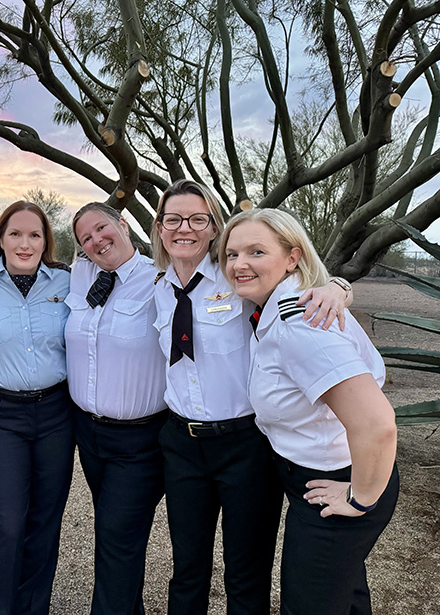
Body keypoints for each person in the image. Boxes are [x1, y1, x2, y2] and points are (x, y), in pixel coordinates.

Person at [150, 180, 351, 615]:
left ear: (213, 227)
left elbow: (302, 281)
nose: (184, 228)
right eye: (173, 219)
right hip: (182, 444)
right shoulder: (157, 288)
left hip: (245, 446)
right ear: (160, 228)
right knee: (187, 567)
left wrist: (338, 286)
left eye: (197, 219)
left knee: (245, 570)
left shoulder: (239, 276)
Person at [220, 208, 398, 615]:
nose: (239, 264)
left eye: (256, 251)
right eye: (231, 254)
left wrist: (360, 497)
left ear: (292, 257)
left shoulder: (300, 324)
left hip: (337, 481)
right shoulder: (277, 305)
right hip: (310, 475)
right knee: (346, 598)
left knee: (308, 604)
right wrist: (338, 285)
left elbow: (377, 424)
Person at [0, 201, 73, 615]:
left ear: (46, 240)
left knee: (46, 521)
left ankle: (32, 607)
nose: (25, 243)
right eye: (15, 234)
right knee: (9, 522)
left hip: (56, 414)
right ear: (0, 240)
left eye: (34, 235)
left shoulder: (69, 282)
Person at [65, 202, 167, 615]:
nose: (96, 240)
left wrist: (335, 285)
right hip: (87, 434)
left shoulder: (161, 278)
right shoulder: (78, 276)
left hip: (140, 439)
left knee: (116, 535)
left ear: (123, 224)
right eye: (85, 238)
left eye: (101, 228)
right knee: (114, 534)